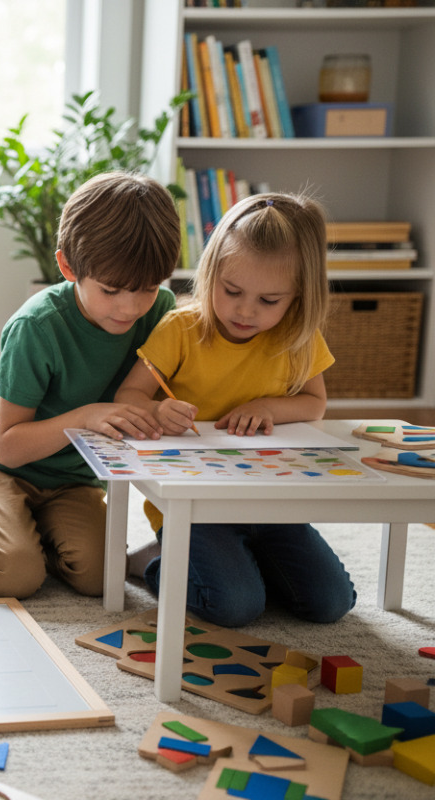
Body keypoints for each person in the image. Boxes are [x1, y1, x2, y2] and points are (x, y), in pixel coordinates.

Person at [115, 191, 356, 627]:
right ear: (211, 275)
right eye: (232, 291)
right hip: (196, 506)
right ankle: (154, 563)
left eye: (269, 301)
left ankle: (242, 561)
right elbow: (127, 397)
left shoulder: (297, 336)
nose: (245, 311)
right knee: (236, 607)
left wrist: (268, 406)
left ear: (297, 296)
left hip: (270, 502)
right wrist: (157, 409)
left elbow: (314, 404)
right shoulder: (181, 329)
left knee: (330, 603)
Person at [0, 172, 181, 599]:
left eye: (149, 288)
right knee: (13, 576)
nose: (129, 307)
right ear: (68, 267)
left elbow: (153, 397)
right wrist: (86, 417)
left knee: (101, 577)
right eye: (111, 290)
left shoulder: (162, 312)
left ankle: (27, 533)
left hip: (73, 477)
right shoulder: (36, 326)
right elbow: (8, 446)